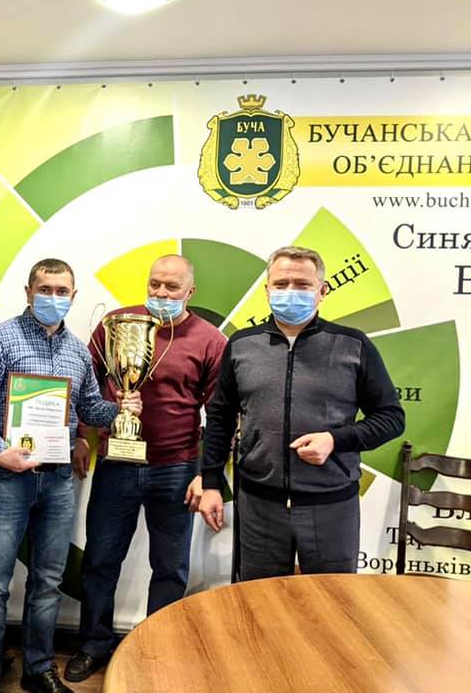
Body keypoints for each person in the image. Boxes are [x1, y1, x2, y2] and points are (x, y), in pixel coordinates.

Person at [0, 258, 142, 693]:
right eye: (45, 289)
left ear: (73, 297)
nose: (53, 298)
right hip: (8, 478)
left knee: (48, 582)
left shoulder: (78, 351)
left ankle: (38, 668)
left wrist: (120, 408)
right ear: (28, 292)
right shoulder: (1, 338)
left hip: (58, 481)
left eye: (62, 291)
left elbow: (88, 408)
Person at [65, 254, 227, 683]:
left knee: (170, 567)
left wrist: (206, 473)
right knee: (100, 560)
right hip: (116, 463)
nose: (161, 293)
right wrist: (82, 436)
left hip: (177, 467)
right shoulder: (116, 325)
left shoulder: (210, 340)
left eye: (172, 287)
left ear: (190, 292)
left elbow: (220, 413)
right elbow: (85, 385)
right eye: (155, 284)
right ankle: (94, 644)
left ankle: (159, 647)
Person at [199, 245, 405, 579]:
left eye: (302, 284)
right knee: (261, 600)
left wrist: (335, 440)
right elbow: (220, 417)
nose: (290, 292)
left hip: (331, 505)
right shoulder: (241, 345)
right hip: (260, 506)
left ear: (322, 291)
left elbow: (392, 418)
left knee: (331, 601)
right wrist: (210, 483)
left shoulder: (353, 345)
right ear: (267, 290)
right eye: (281, 284)